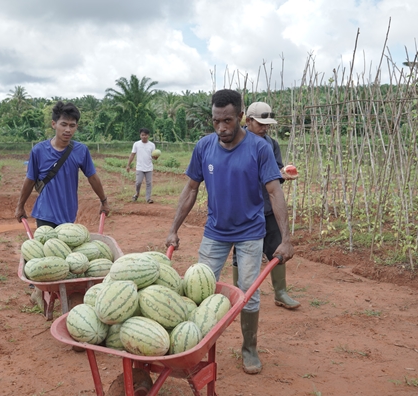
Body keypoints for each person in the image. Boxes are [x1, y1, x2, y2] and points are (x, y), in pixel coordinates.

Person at [165, 89, 294, 375]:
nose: (221, 127)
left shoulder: (259, 148)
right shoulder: (204, 147)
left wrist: (285, 239)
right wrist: (174, 229)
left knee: (248, 292)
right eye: (216, 121)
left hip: (250, 232)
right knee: (198, 288)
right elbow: (190, 189)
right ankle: (192, 344)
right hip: (215, 232)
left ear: (240, 117)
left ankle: (249, 348)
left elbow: (275, 192)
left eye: (227, 121)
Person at [14, 101, 110, 309]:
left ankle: (55, 290)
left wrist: (103, 200)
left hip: (68, 214)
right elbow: (29, 180)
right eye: (64, 124)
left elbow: (92, 177)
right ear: (54, 124)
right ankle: (40, 291)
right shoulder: (39, 151)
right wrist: (20, 205)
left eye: (72, 125)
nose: (68, 130)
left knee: (64, 259)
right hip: (45, 213)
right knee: (47, 254)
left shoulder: (80, 151)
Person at [231, 101, 301, 309]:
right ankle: (239, 296)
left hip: (268, 208)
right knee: (240, 254)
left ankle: (280, 293)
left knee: (276, 249)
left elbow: (276, 172)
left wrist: (282, 175)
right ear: (248, 121)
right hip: (244, 210)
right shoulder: (235, 142)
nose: (265, 128)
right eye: (260, 123)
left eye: (267, 124)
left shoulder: (271, 144)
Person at [126, 128, 157, 203]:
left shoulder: (152, 145)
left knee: (149, 183)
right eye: (142, 135)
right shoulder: (136, 144)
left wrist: (156, 157)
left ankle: (148, 198)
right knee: (138, 182)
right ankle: (136, 194)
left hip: (149, 167)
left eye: (145, 135)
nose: (144, 136)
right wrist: (128, 165)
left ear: (148, 136)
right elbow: (132, 155)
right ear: (140, 135)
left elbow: (153, 157)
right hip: (140, 167)